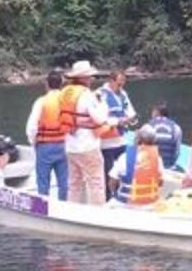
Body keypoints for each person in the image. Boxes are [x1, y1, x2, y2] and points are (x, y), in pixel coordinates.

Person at [59, 60, 115, 205]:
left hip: (70, 146)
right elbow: (100, 118)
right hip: (87, 146)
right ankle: (96, 216)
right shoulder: (87, 95)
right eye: (89, 76)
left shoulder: (65, 93)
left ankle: (72, 212)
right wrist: (103, 104)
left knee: (74, 183)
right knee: (96, 182)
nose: (91, 79)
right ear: (82, 78)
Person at [25, 72, 69, 199]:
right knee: (64, 181)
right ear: (61, 84)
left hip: (45, 146)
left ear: (46, 84)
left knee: (43, 182)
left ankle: (42, 209)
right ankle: (63, 207)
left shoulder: (42, 101)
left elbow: (32, 127)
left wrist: (33, 142)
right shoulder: (66, 102)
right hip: (64, 145)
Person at [95, 69, 138, 199]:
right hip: (107, 142)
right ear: (111, 81)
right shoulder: (100, 95)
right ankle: (108, 199)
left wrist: (131, 119)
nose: (121, 86)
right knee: (108, 173)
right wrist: (118, 121)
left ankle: (123, 196)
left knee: (125, 168)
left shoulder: (123, 94)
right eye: (119, 83)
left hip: (121, 139)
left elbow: (131, 112)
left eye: (123, 83)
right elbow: (100, 117)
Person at [109, 126, 163, 207]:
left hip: (124, 203)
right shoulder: (158, 159)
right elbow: (160, 182)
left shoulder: (124, 156)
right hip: (149, 205)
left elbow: (112, 182)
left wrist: (114, 193)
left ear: (137, 139)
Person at [148, 102, 183, 170]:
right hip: (169, 168)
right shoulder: (176, 128)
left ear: (156, 113)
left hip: (153, 168)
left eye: (152, 112)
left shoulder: (149, 126)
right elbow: (177, 152)